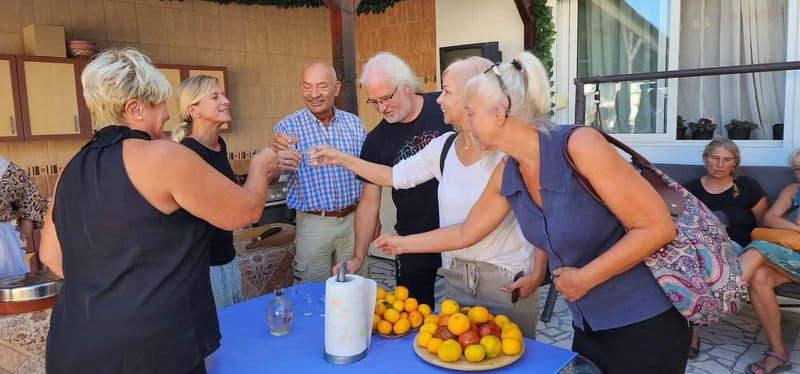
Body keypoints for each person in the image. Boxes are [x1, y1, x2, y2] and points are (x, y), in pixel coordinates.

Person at [374, 52, 691, 373]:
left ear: (499, 113)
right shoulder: (509, 168)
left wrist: (585, 278)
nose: (466, 125)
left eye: (471, 114)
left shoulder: (579, 145)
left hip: (645, 321)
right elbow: (466, 231)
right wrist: (402, 244)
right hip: (589, 324)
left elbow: (657, 227)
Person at [39, 48, 277, 373]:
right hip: (151, 349)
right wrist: (262, 165)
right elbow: (245, 212)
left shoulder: (71, 167)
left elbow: (52, 257)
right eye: (160, 102)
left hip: (75, 344)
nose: (166, 114)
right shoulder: (162, 156)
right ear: (135, 108)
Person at [310, 56, 546, 337]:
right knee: (462, 354)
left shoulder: (507, 155)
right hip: (457, 274)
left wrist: (539, 269)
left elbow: (537, 213)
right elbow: (393, 176)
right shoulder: (443, 146)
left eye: (447, 91)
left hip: (506, 278)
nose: (438, 99)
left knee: (512, 359)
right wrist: (339, 158)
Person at [334, 52, 450, 308]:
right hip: (411, 238)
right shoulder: (376, 141)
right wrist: (358, 256)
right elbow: (369, 202)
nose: (381, 108)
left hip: (461, 232)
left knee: (466, 316)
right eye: (373, 101)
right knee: (412, 315)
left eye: (386, 98)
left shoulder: (444, 107)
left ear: (406, 86)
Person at [173, 75, 276, 308]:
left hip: (226, 259)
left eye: (223, 94)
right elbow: (234, 210)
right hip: (203, 266)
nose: (226, 100)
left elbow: (230, 194)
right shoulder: (188, 154)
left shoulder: (219, 146)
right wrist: (260, 165)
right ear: (193, 110)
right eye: (215, 96)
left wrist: (271, 169)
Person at [270, 62, 366, 283]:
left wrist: (374, 218)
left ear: (337, 87)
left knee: (355, 287)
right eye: (307, 87)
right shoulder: (286, 127)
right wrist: (273, 158)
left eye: (322, 86)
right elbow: (271, 176)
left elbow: (366, 175)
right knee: (312, 292)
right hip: (313, 224)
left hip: (354, 220)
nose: (314, 94)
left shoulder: (354, 124)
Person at [683, 136, 768, 358]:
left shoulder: (748, 187)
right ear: (706, 159)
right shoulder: (691, 189)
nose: (720, 165)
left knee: (698, 268)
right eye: (715, 158)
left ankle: (693, 329)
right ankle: (691, 333)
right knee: (690, 265)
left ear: (735, 163)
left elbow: (763, 223)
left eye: (727, 159)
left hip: (735, 248)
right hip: (698, 246)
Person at [737, 148, 800, 374]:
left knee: (759, 248)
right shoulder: (793, 190)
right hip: (791, 256)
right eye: (796, 169)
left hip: (791, 256)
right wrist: (795, 229)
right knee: (758, 276)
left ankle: (718, 298)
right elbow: (769, 218)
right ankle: (778, 352)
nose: (799, 174)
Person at [0, 156, 46, 278]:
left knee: (8, 290)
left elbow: (28, 191)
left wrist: (27, 223)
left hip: (3, 246)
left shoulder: (3, 168)